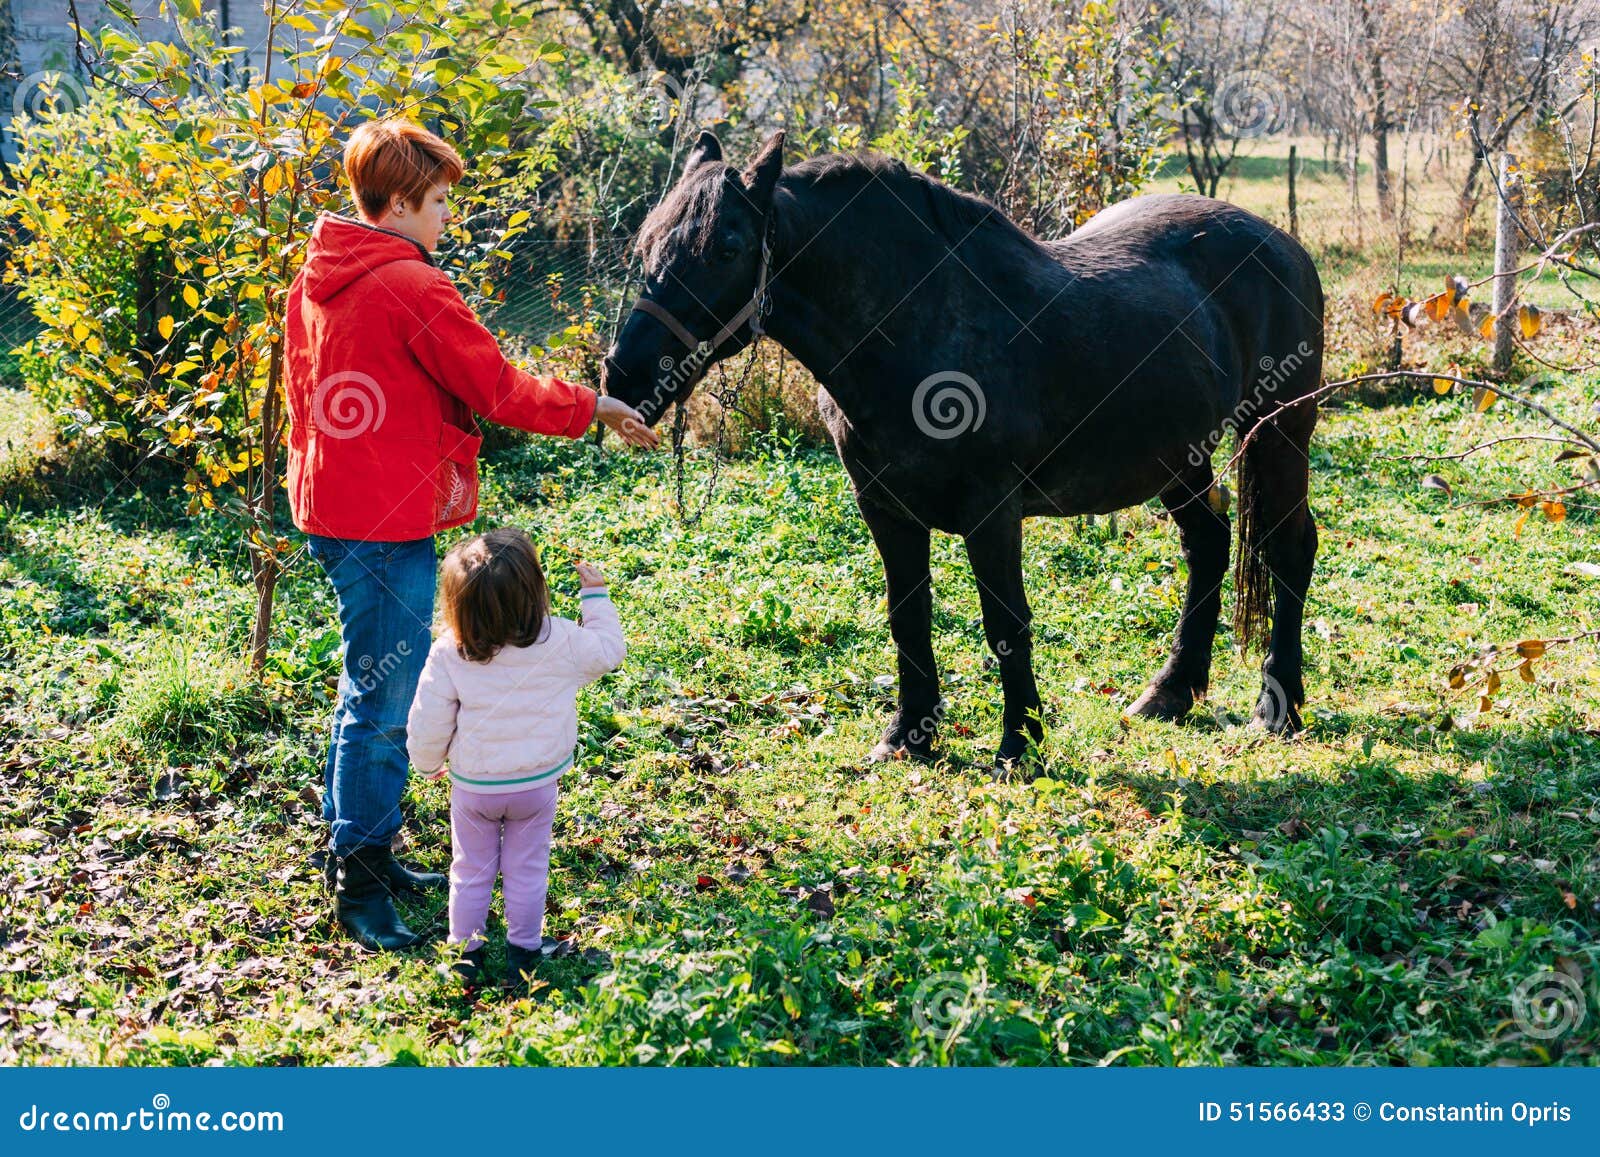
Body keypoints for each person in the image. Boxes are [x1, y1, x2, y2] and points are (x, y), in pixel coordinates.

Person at [283, 119, 657, 951]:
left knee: (367, 680)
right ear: (401, 200)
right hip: (379, 516)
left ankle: (353, 836)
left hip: (333, 506)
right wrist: (591, 405)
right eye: (441, 201)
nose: (447, 217)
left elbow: (301, 386)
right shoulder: (409, 285)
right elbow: (493, 385)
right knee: (385, 699)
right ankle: (362, 878)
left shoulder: (320, 270)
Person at [406, 530, 625, 988]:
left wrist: (427, 764)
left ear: (458, 604)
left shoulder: (451, 651)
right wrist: (596, 597)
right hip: (535, 784)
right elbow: (609, 653)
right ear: (533, 590)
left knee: (470, 868)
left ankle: (464, 953)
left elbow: (428, 719)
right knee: (528, 867)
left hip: (475, 787)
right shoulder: (560, 639)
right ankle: (524, 950)